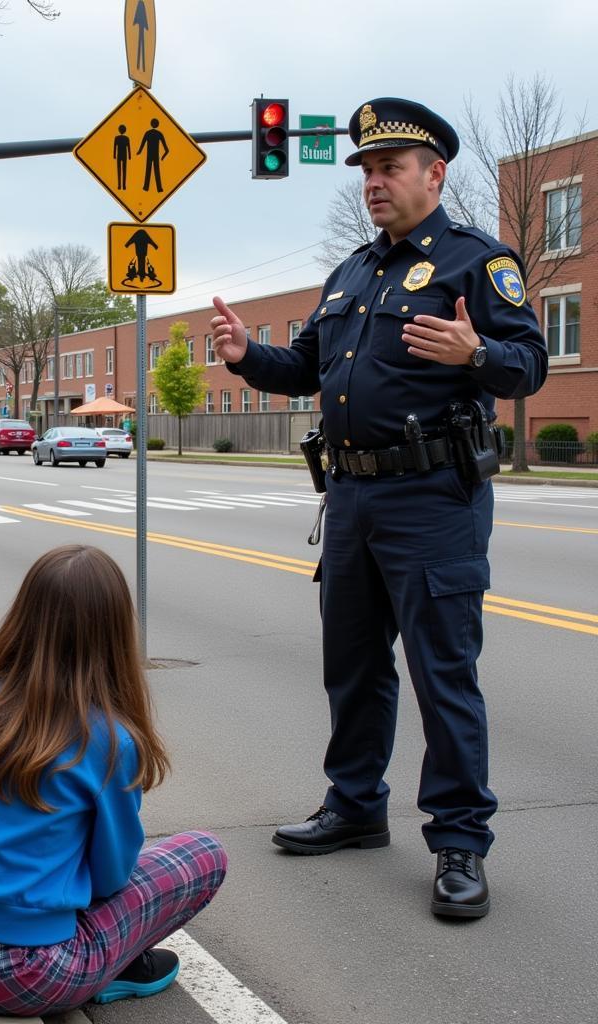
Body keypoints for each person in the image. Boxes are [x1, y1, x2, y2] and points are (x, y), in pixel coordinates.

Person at [210, 97, 548, 919]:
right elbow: (308, 367)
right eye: (365, 169)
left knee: (443, 675)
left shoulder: (477, 262)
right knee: (353, 666)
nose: (373, 182)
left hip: (434, 498)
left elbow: (530, 363)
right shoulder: (354, 272)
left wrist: (481, 351)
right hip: (354, 497)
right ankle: (355, 806)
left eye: (389, 167)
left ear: (434, 174)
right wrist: (248, 356)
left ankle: (461, 840)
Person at [0, 545, 226, 1015]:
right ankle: (114, 968)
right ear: (114, 635)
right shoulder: (109, 739)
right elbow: (111, 878)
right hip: (20, 975)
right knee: (205, 853)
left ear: (22, 617)